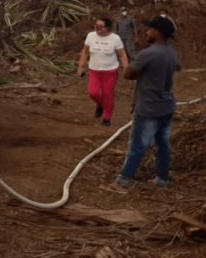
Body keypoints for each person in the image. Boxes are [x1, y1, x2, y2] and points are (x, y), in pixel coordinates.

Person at [104, 16, 180, 193]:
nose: (146, 32)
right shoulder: (171, 53)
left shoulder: (148, 53)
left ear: (158, 33)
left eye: (150, 29)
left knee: (137, 145)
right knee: (162, 144)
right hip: (166, 105)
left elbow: (128, 73)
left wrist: (141, 73)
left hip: (148, 107)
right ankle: (162, 179)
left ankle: (123, 182)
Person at [77, 17, 129, 126]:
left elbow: (122, 54)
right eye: (96, 25)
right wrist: (81, 66)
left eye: (100, 26)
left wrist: (126, 68)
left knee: (107, 95)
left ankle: (107, 118)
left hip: (110, 72)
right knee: (93, 92)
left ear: (107, 28)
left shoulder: (115, 39)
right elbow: (85, 52)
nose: (97, 28)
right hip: (94, 71)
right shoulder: (91, 36)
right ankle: (100, 105)